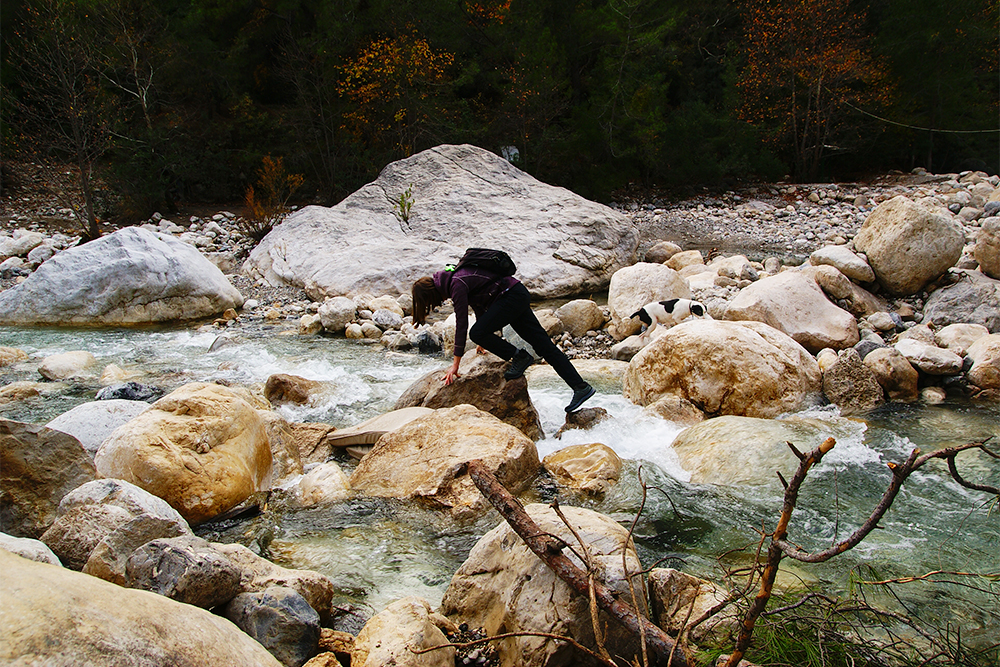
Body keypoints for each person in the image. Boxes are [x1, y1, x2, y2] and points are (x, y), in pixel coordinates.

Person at [411, 262, 596, 413]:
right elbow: (478, 303)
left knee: (476, 333)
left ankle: (520, 357)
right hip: (515, 294)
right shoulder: (455, 277)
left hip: (511, 297)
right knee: (544, 346)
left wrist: (455, 365)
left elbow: (462, 324)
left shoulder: (456, 284)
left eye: (429, 302)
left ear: (431, 294)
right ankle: (580, 387)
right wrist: (485, 340)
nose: (436, 304)